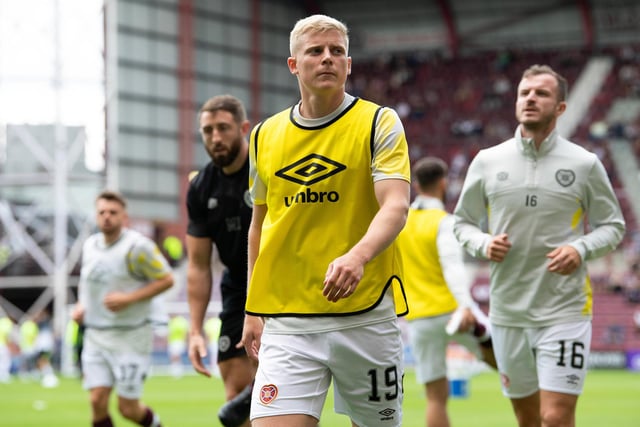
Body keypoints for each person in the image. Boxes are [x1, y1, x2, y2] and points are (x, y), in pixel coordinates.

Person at [241, 14, 411, 427]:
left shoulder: (378, 122)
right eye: (315, 51)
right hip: (288, 320)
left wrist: (358, 256)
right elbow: (260, 225)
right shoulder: (263, 135)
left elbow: (395, 205)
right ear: (294, 64)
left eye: (337, 51)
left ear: (349, 65)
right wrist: (251, 308)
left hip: (366, 315)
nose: (327, 58)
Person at [453, 64, 626, 427]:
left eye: (541, 93)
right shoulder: (487, 161)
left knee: (556, 417)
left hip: (564, 309)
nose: (530, 98)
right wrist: (483, 244)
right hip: (508, 312)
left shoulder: (584, 164)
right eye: (524, 93)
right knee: (528, 419)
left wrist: (580, 248)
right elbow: (462, 224)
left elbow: (613, 226)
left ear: (560, 107)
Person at [396, 156, 497, 427]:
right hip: (452, 311)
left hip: (418, 319)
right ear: (444, 183)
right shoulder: (444, 221)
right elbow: (452, 267)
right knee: (508, 365)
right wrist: (465, 306)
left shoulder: (401, 224)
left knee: (435, 398)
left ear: (415, 185)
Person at [71, 190, 174, 427]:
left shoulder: (138, 247)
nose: (107, 216)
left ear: (124, 216)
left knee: (127, 409)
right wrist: (81, 307)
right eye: (102, 212)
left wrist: (129, 298)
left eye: (113, 212)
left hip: (130, 336)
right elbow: (88, 286)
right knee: (97, 401)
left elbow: (167, 280)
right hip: (96, 335)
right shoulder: (89, 246)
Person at [186, 94, 256, 427]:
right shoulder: (200, 188)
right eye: (207, 130)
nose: (215, 138)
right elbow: (198, 266)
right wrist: (196, 330)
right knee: (236, 397)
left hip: (280, 286)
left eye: (223, 128)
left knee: (282, 396)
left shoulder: (266, 168)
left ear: (243, 128)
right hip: (236, 290)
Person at [167, 314, 189, 378]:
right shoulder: (171, 322)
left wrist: (185, 341)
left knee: (176, 356)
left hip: (178, 342)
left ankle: (177, 370)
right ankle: (175, 369)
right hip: (173, 342)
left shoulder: (180, 322)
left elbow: (184, 333)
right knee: (173, 356)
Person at [0, 314, 15, 383]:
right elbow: (7, 336)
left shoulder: (1, 322)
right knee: (5, 360)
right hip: (3, 344)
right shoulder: (8, 324)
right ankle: (4, 375)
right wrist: (10, 346)